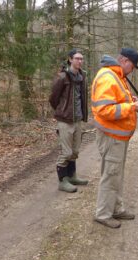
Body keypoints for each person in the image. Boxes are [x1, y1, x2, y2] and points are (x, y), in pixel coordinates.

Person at [91, 48, 138, 228]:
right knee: (111, 175)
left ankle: (116, 208)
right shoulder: (107, 77)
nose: (132, 70)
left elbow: (120, 100)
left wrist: (135, 103)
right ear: (123, 60)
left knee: (116, 175)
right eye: (132, 65)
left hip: (118, 136)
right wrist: (132, 108)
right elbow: (105, 110)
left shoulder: (118, 77)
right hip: (111, 136)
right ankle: (103, 214)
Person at [49, 49, 89, 193]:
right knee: (66, 152)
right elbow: (53, 98)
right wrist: (62, 111)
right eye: (77, 58)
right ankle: (62, 181)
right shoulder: (62, 77)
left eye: (81, 59)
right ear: (70, 59)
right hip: (65, 120)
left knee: (75, 151)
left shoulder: (82, 76)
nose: (80, 61)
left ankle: (72, 176)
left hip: (78, 119)